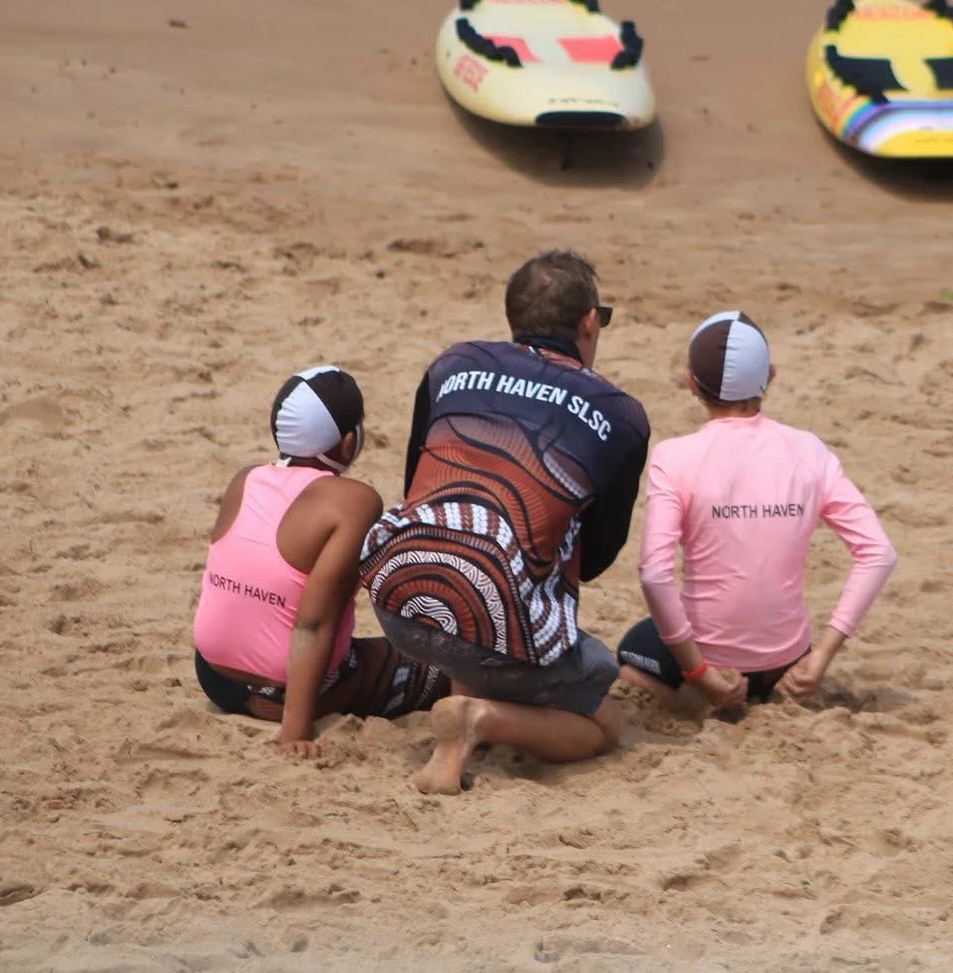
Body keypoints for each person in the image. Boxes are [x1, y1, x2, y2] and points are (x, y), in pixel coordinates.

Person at [360, 250, 651, 794]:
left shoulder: (453, 363)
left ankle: (469, 694)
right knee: (604, 717)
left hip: (399, 600)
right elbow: (601, 555)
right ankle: (478, 720)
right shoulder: (621, 414)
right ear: (589, 323)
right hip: (491, 626)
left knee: (477, 549)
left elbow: (415, 488)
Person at [616, 310, 897, 711]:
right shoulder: (808, 449)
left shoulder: (673, 457)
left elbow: (654, 575)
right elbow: (879, 553)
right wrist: (821, 657)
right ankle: (773, 679)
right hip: (787, 664)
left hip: (711, 664)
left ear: (691, 384)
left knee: (632, 651)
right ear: (772, 377)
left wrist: (697, 673)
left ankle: (698, 695)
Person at [192, 366, 451, 756]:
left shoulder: (244, 480)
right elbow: (313, 622)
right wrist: (296, 731)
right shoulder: (354, 502)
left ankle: (259, 699)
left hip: (213, 676)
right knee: (442, 662)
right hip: (291, 688)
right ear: (348, 443)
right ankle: (280, 706)